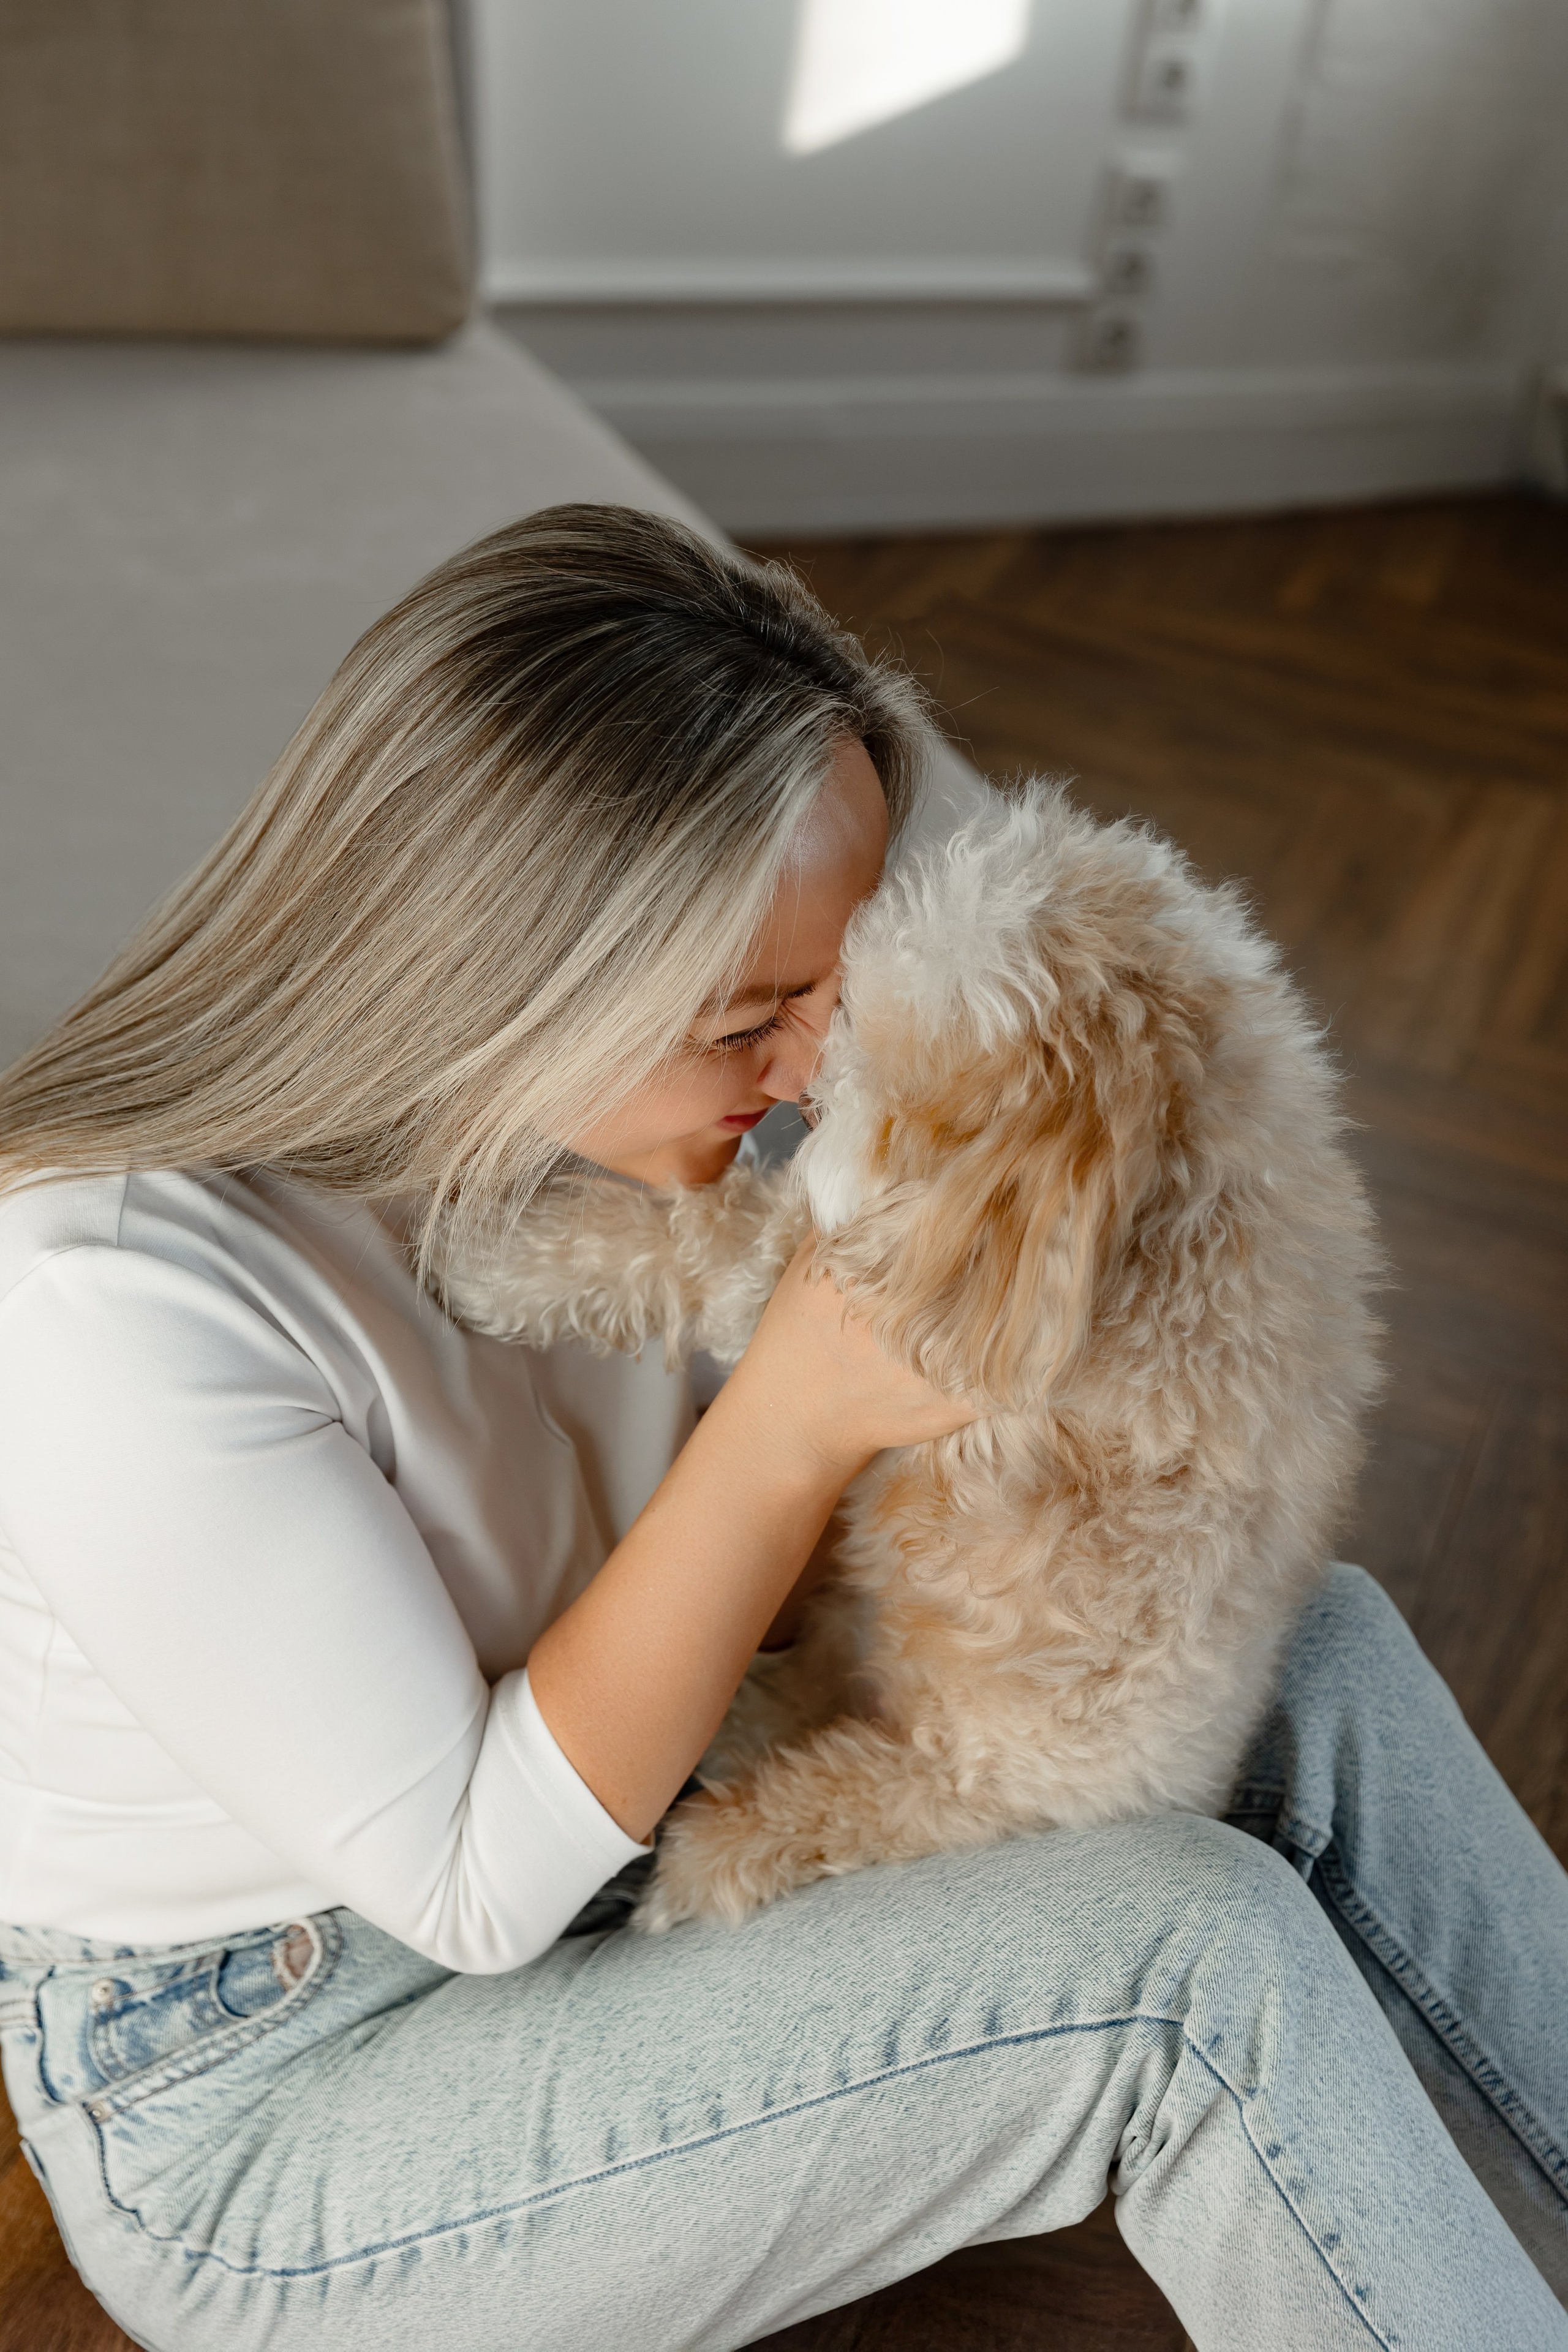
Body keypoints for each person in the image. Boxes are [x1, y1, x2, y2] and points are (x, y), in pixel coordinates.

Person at [0, 506, 1562, 2352]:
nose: (818, 1074)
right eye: (754, 1020)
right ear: (513, 972)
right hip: (288, 2082)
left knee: (1324, 1660)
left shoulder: (592, 1135)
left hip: (628, 1832)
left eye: (837, 985)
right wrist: (798, 1420)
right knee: (1188, 1963)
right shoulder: (107, 1307)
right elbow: (473, 1882)